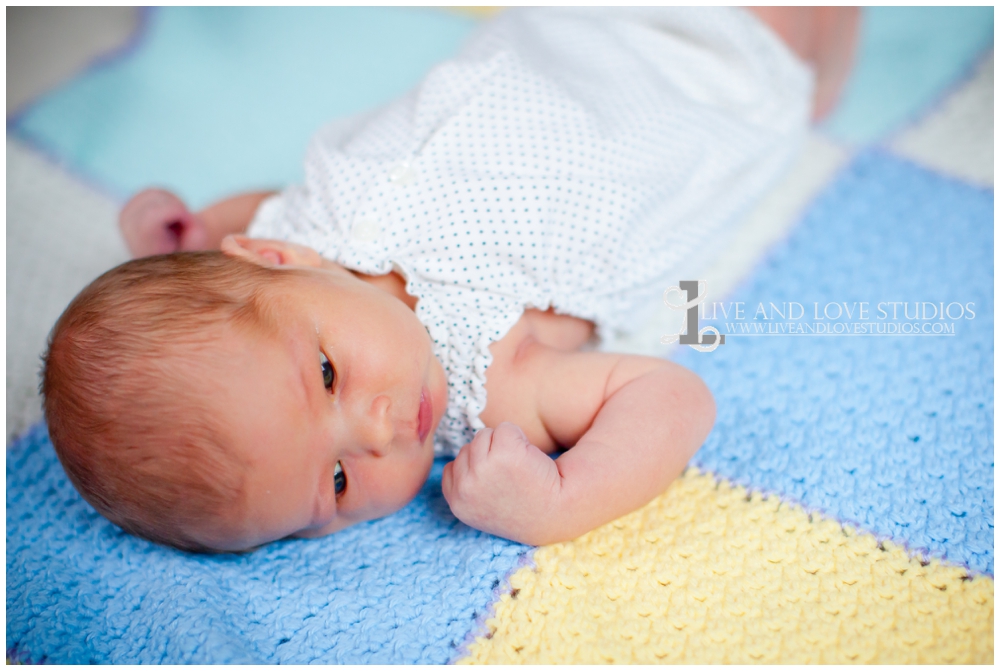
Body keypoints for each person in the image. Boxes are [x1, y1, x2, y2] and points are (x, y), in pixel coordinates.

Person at [41, 7, 858, 553]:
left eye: (326, 376)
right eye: (337, 480)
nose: (379, 429)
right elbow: (672, 398)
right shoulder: (491, 384)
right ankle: (826, 59)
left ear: (270, 257)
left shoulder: (296, 233)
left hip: (564, 28)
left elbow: (249, 225)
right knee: (794, 29)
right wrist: (560, 498)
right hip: (701, 79)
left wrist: (187, 237)